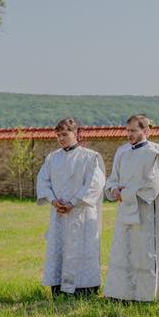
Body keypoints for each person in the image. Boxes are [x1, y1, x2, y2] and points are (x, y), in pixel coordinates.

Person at [104, 115, 159, 301]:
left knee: (144, 252)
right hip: (125, 211)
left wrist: (127, 193)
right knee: (124, 250)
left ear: (146, 130)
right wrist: (114, 189)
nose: (129, 134)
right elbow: (113, 177)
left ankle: (145, 294)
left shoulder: (154, 151)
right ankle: (122, 292)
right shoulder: (121, 151)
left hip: (146, 211)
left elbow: (158, 181)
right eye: (127, 130)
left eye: (134, 130)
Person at [35, 118, 106, 297]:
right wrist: (53, 200)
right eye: (58, 135)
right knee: (60, 249)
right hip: (59, 213)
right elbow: (43, 180)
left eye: (65, 134)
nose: (61, 138)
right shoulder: (52, 158)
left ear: (76, 133)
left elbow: (95, 184)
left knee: (83, 250)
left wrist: (73, 203)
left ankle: (85, 289)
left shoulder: (90, 157)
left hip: (81, 213)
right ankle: (59, 288)